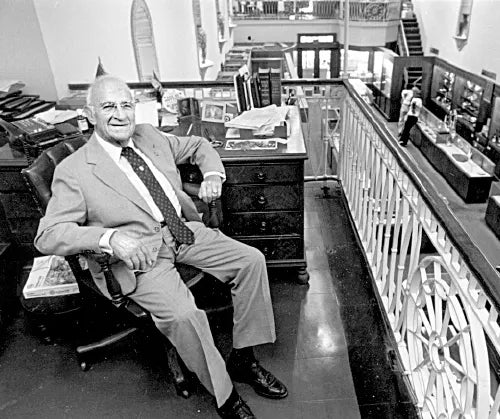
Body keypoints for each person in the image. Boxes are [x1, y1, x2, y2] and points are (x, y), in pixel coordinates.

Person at [34, 75, 287, 419]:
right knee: (186, 316)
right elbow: (47, 234)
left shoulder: (150, 136)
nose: (121, 115)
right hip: (141, 256)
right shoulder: (75, 171)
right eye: (109, 107)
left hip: (182, 230)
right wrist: (108, 238)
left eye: (126, 105)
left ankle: (244, 358)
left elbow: (198, 145)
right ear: (90, 114)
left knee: (251, 261)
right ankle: (226, 397)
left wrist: (213, 174)